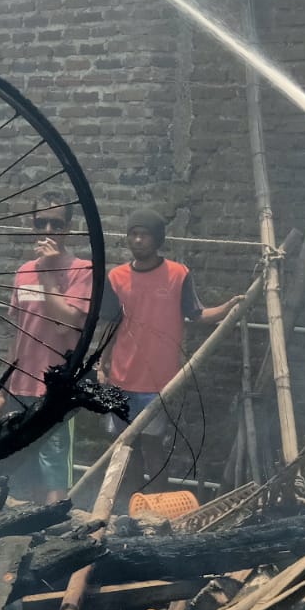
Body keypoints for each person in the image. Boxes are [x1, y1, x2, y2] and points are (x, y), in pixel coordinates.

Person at [98, 208, 242, 492]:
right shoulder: (116, 278)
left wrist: (228, 308)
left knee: (152, 447)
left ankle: (159, 507)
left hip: (158, 383)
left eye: (145, 235)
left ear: (158, 239)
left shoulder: (177, 275)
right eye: (133, 234)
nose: (138, 240)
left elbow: (197, 314)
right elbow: (110, 327)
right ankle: (132, 507)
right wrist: (101, 366)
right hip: (121, 379)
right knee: (125, 448)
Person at [0, 193, 94, 504]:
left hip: (56, 387)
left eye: (57, 223)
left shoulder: (82, 270)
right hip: (21, 384)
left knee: (54, 467)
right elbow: (19, 334)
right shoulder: (24, 271)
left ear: (68, 228)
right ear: (33, 227)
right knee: (26, 464)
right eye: (42, 222)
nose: (49, 229)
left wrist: (50, 272)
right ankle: (31, 531)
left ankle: (52, 530)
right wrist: (2, 387)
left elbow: (69, 320)